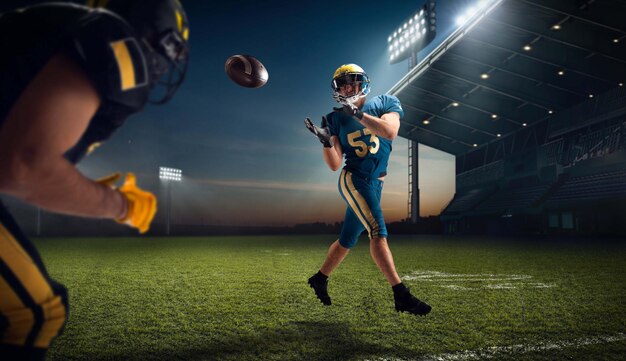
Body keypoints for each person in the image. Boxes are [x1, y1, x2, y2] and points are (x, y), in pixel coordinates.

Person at [0, 0, 189, 359]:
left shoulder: (50, 29)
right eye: (172, 48)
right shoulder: (112, 37)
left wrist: (75, 188)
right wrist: (121, 205)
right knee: (35, 314)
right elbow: (24, 168)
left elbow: (13, 171)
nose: (168, 63)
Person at [304, 64, 431, 316]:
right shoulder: (334, 118)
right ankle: (401, 295)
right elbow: (334, 164)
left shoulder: (385, 102)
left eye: (351, 83)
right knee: (377, 230)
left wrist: (358, 115)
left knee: (347, 240)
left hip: (376, 183)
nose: (347, 88)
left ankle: (319, 278)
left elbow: (390, 132)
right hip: (354, 179)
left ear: (363, 84)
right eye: (343, 85)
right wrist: (325, 141)